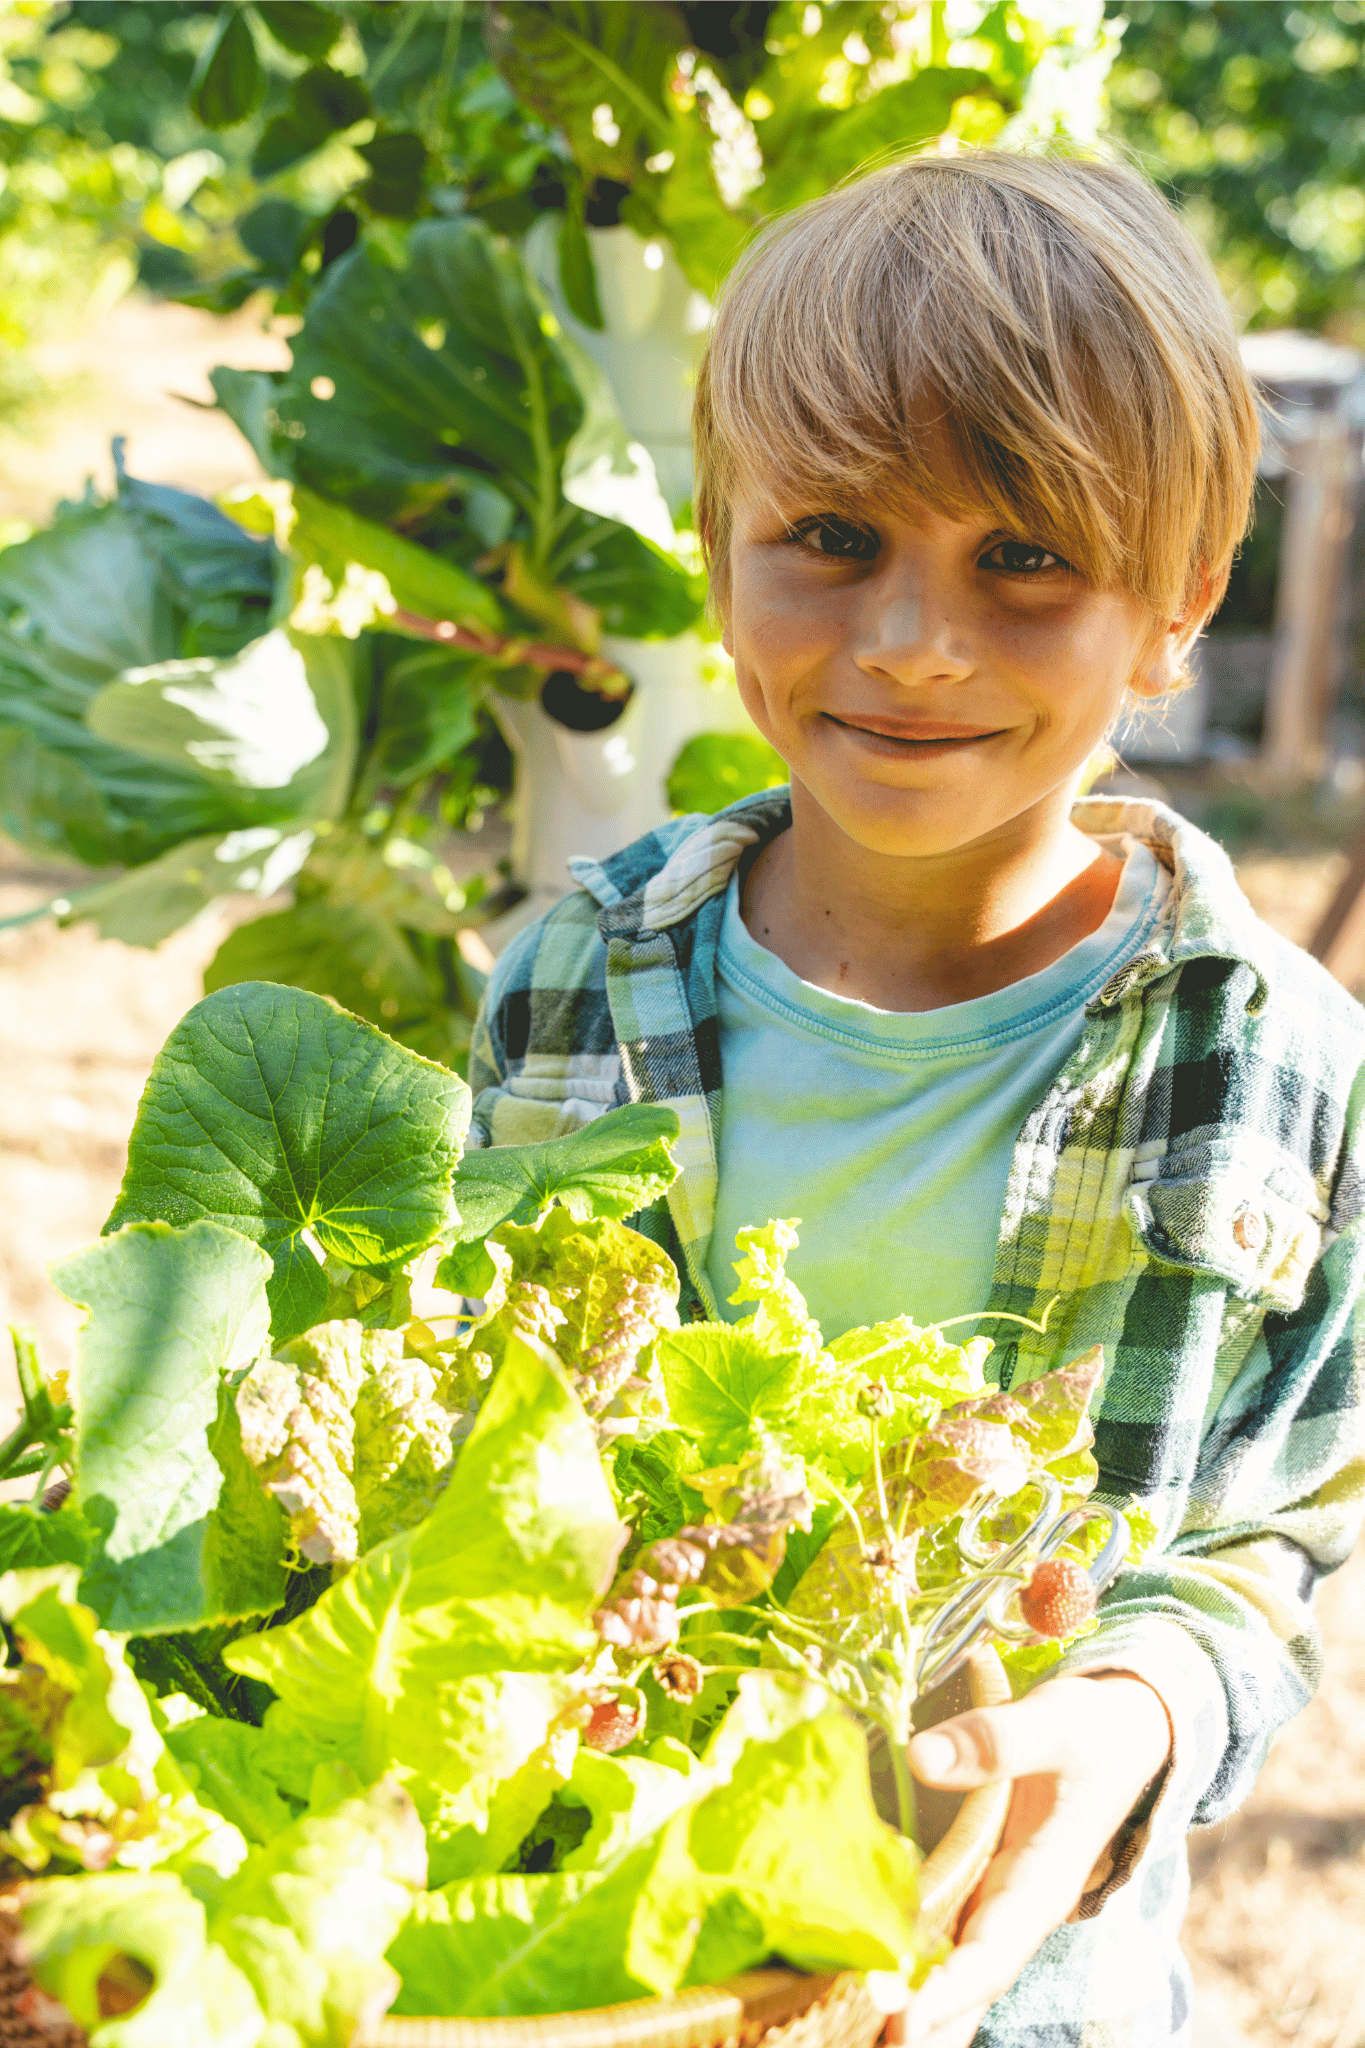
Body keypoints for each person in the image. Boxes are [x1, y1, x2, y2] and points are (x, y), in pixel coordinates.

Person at [467, 149, 1365, 2048]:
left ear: (1184, 601)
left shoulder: (1277, 1055)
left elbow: (1266, 1541)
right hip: (589, 1964)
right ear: (720, 548)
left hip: (1024, 1990)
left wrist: (1122, 1715)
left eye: (1026, 557)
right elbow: (473, 1449)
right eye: (834, 539)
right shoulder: (565, 985)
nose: (910, 642)